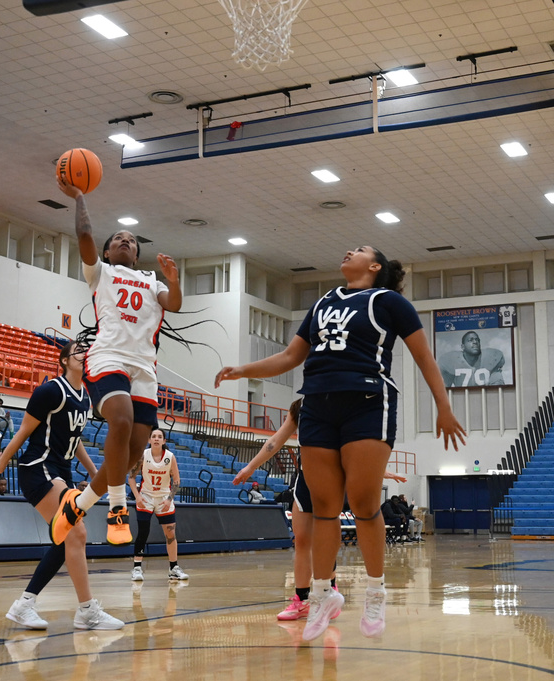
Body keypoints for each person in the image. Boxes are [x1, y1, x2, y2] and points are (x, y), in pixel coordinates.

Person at [216, 245, 465, 641]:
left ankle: (376, 592)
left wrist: (443, 406)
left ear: (374, 266)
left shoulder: (389, 302)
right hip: (317, 404)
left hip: (367, 402)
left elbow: (424, 358)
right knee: (325, 510)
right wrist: (243, 369)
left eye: (361, 250)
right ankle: (320, 597)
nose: (350, 251)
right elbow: (288, 357)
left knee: (365, 504)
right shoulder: (323, 303)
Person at [50, 176, 182, 547]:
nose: (125, 241)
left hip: (144, 367)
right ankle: (117, 508)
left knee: (131, 455)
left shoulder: (150, 279)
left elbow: (173, 305)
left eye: (132, 240)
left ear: (137, 254)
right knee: (121, 420)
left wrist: (173, 281)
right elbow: (84, 235)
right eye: (118, 239)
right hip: (108, 356)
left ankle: (79, 505)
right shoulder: (100, 273)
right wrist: (79, 197)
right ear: (107, 252)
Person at [234, 398, 407, 622]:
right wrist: (251, 466)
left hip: (333, 478)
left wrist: (380, 468)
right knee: (303, 540)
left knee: (323, 539)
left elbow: (354, 446)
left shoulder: (342, 401)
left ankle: (329, 592)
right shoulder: (299, 406)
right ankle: (302, 600)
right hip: (306, 478)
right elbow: (276, 440)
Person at [0, 341, 124, 631]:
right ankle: (87, 611)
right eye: (78, 349)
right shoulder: (51, 390)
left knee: (65, 537)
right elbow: (26, 430)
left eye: (86, 351)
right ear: (64, 359)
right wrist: (2, 462)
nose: (84, 353)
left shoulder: (85, 398)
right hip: (38, 469)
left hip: (60, 472)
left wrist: (94, 472)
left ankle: (24, 604)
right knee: (76, 531)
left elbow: (74, 440)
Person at [127, 428, 188, 582]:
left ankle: (173, 568)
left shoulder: (170, 457)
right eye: (153, 436)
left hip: (163, 498)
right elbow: (131, 478)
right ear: (149, 440)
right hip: (146, 497)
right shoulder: (143, 455)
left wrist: (169, 499)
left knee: (170, 534)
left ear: (164, 441)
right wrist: (137, 496)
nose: (156, 439)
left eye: (159, 436)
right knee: (143, 533)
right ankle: (137, 568)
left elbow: (177, 481)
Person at [438, 331, 505, 387]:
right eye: (470, 340)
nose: (475, 342)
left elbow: (497, 388)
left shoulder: (491, 358)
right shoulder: (450, 361)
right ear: (463, 346)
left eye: (477, 340)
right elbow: (444, 390)